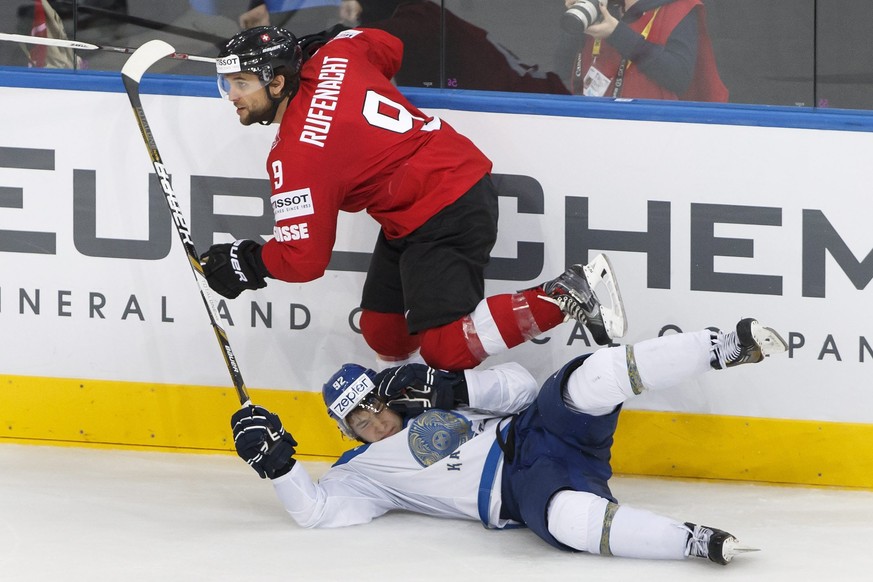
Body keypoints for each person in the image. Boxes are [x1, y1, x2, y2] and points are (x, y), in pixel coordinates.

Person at [199, 25, 625, 371]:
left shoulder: (296, 156)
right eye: (226, 83)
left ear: (276, 82)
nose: (231, 95)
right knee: (385, 333)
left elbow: (304, 260)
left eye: (241, 83)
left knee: (447, 351)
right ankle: (418, 405)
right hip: (421, 202)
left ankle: (566, 292)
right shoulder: (337, 57)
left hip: (446, 206)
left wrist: (247, 262)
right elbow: (390, 46)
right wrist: (326, 41)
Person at [229, 315, 788, 565]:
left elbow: (520, 386)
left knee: (589, 376)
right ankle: (691, 543)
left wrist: (451, 384)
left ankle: (721, 347)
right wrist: (278, 467)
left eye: (372, 403)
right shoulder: (361, 476)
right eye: (357, 419)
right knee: (570, 522)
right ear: (344, 430)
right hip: (522, 488)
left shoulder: (419, 390)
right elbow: (317, 512)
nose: (373, 419)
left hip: (536, 427)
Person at [562, 0, 727, 101]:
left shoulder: (679, 7)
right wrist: (579, 18)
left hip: (652, 129)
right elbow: (560, 68)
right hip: (593, 124)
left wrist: (617, 34)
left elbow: (679, 76)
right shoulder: (604, 7)